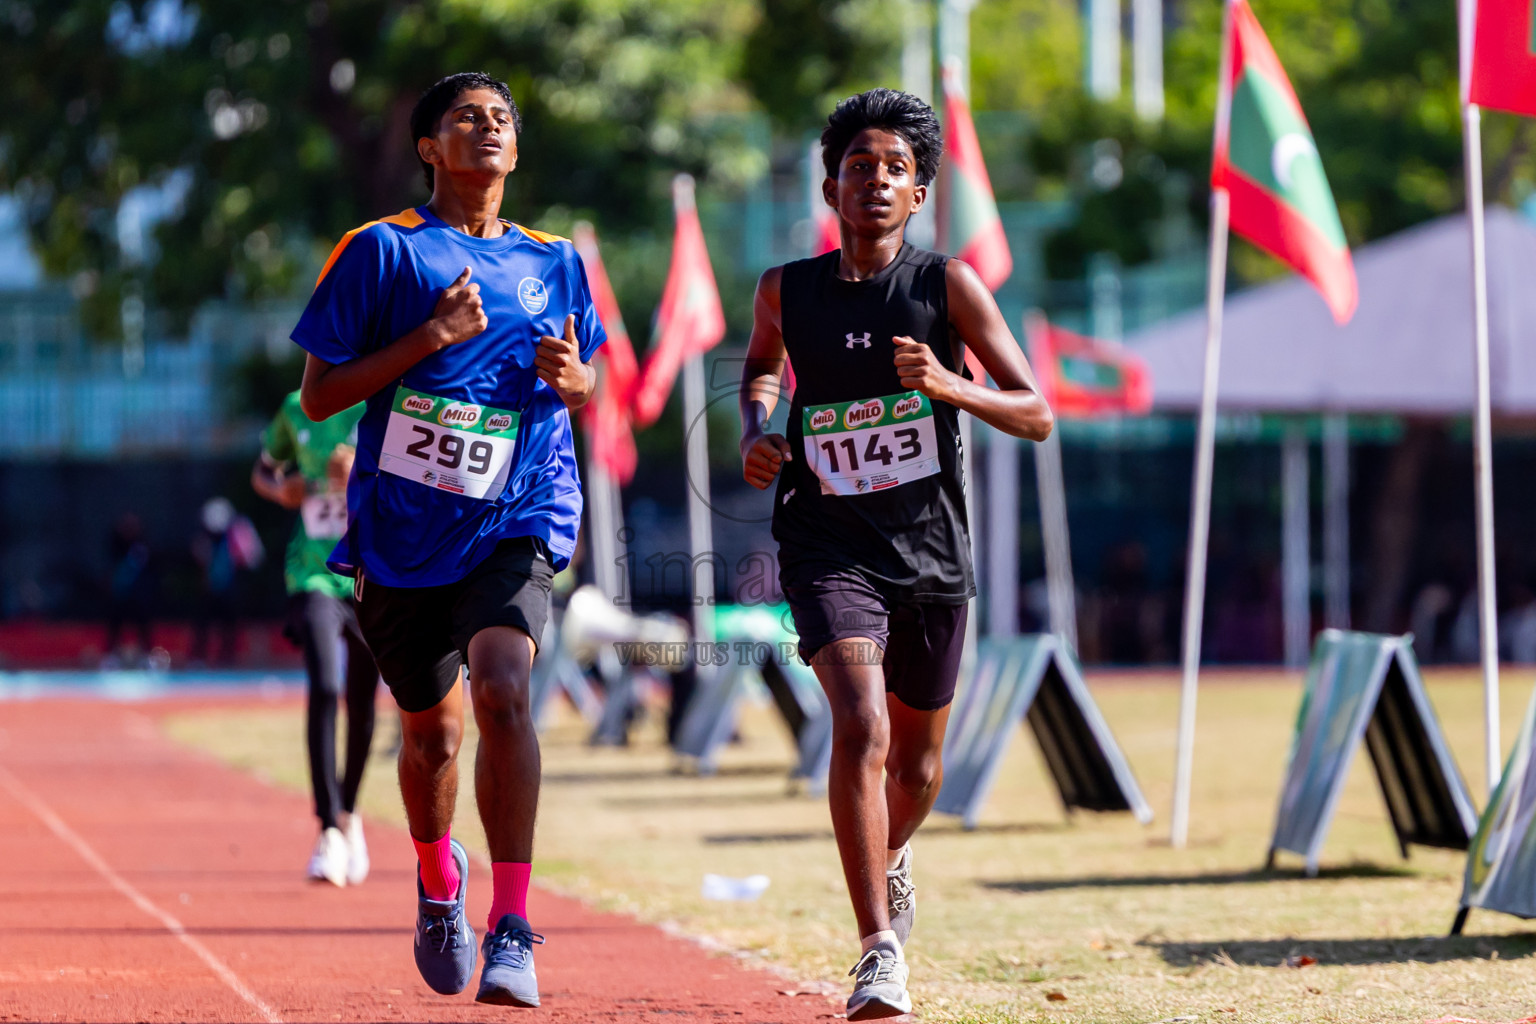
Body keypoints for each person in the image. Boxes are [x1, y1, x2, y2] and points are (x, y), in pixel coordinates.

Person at [738, 88, 1053, 1021]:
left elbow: (1033, 411)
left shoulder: (947, 287)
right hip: (826, 542)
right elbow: (761, 365)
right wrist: (759, 427)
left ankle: (892, 850)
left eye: (894, 169)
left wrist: (952, 384)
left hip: (929, 552)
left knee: (916, 771)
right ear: (831, 184)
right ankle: (880, 952)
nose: (874, 180)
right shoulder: (783, 288)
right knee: (862, 726)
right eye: (858, 165)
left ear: (919, 193)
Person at [290, 71, 602, 1007]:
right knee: (430, 737)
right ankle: (437, 878)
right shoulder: (381, 252)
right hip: (404, 532)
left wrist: (574, 379)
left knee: (505, 688)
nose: (490, 128)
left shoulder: (555, 260)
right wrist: (430, 336)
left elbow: (585, 385)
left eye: (503, 117)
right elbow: (319, 397)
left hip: (520, 508)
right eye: (468, 117)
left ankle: (512, 924)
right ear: (430, 147)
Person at [252, 390, 380, 888]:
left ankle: (349, 811)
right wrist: (279, 489)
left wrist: (362, 479)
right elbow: (262, 472)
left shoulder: (380, 401)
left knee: (363, 700)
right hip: (313, 573)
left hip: (372, 573)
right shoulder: (293, 408)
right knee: (326, 684)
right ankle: (328, 828)